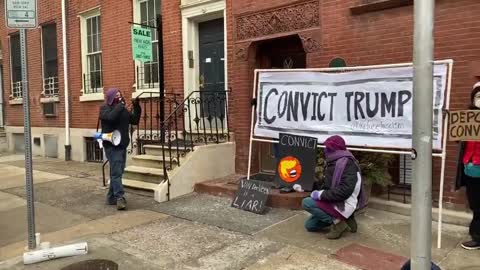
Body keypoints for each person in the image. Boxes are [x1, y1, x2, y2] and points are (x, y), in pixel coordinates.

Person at [302, 135, 366, 239]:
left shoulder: (347, 164)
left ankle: (339, 222)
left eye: (329, 148)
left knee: (307, 203)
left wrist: (320, 195)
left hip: (344, 203)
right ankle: (345, 219)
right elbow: (327, 185)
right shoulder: (334, 161)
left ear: (335, 149)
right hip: (335, 200)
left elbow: (344, 191)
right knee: (310, 226)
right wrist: (307, 186)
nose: (326, 150)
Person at [100, 88, 141, 210]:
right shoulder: (104, 109)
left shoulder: (122, 110)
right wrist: (120, 106)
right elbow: (111, 118)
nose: (119, 97)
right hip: (111, 145)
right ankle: (119, 198)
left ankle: (110, 197)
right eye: (116, 95)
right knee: (117, 172)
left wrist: (137, 107)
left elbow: (134, 120)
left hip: (122, 145)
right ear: (110, 97)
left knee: (117, 172)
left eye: (120, 94)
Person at [455, 82, 480, 250]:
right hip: (470, 169)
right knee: (476, 204)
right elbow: (459, 138)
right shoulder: (468, 118)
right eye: (478, 96)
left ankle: (477, 237)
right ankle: (477, 235)